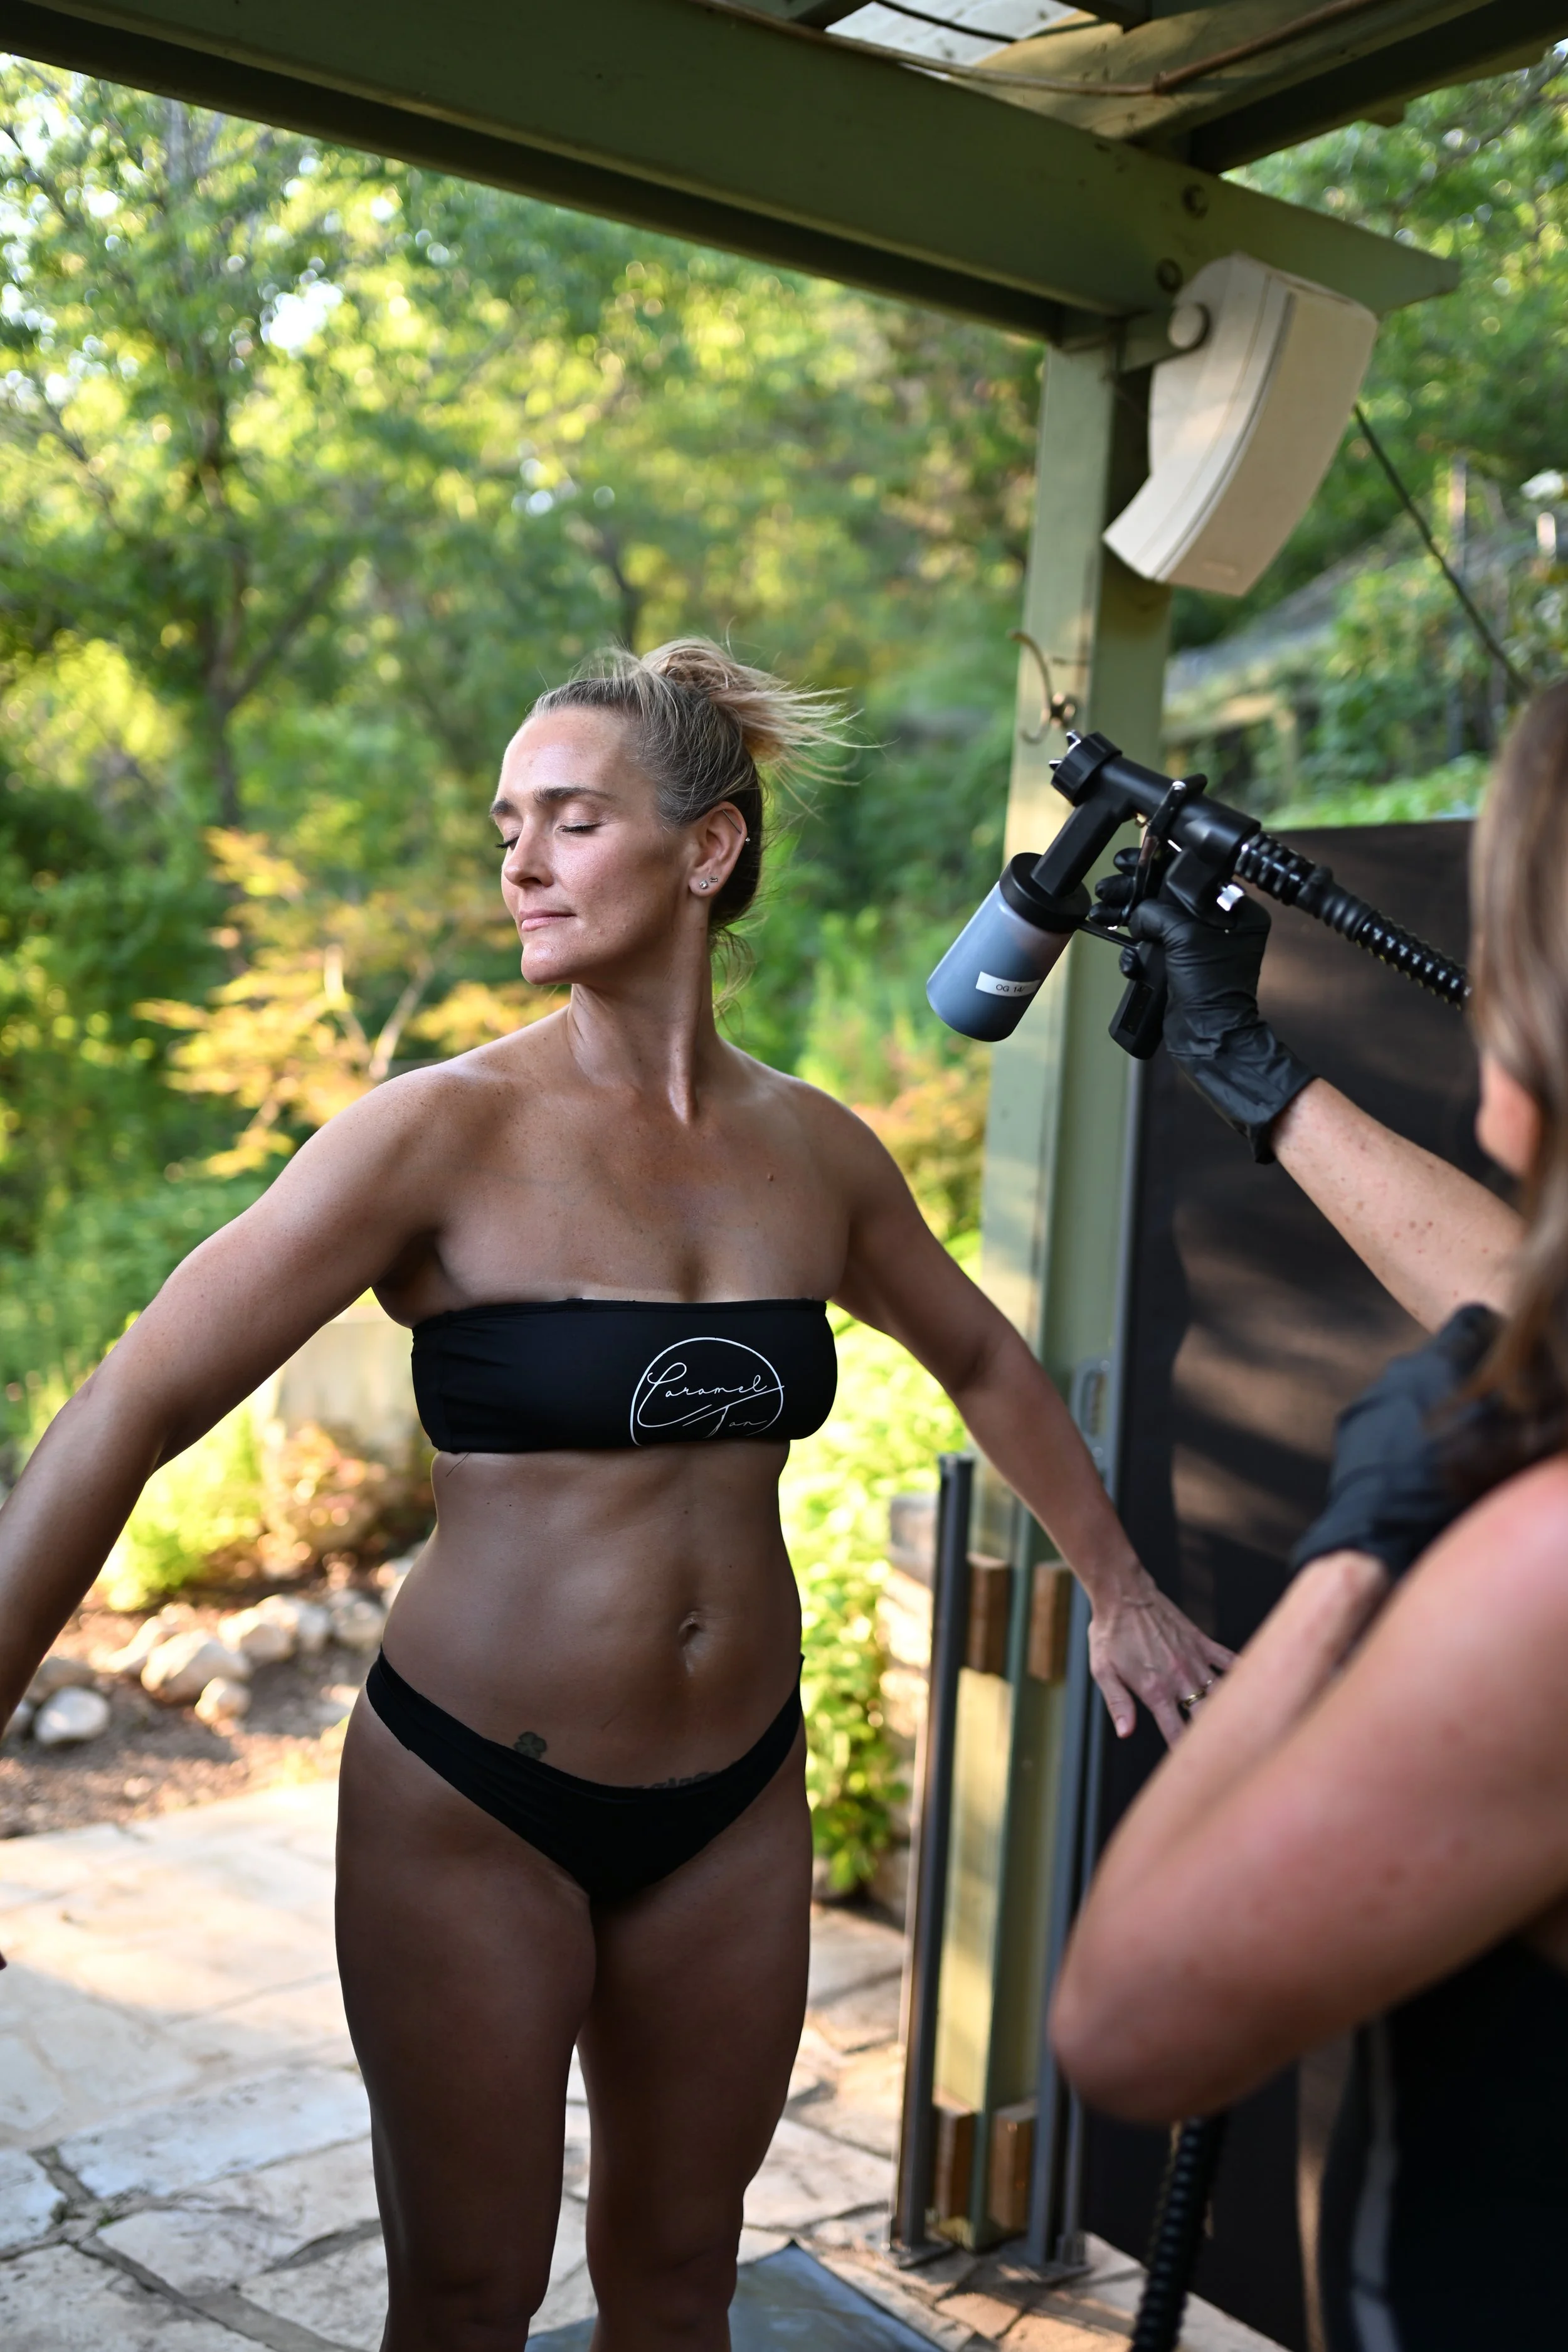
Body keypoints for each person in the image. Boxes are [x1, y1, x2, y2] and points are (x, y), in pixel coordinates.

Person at [0, 639, 1229, 2351]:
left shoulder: (814, 1151)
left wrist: (1119, 1583)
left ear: (705, 846)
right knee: (469, 2288)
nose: (517, 860)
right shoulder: (434, 1134)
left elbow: (985, 1359)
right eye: (510, 822)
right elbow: (130, 1402)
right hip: (470, 1804)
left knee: (677, 2276)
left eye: (568, 820)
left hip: (730, 1802)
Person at [1051, 682, 1568, 2348]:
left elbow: (1127, 2027)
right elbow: (1530, 1300)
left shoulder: (1536, 1580)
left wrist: (1363, 1548)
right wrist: (1253, 1074)